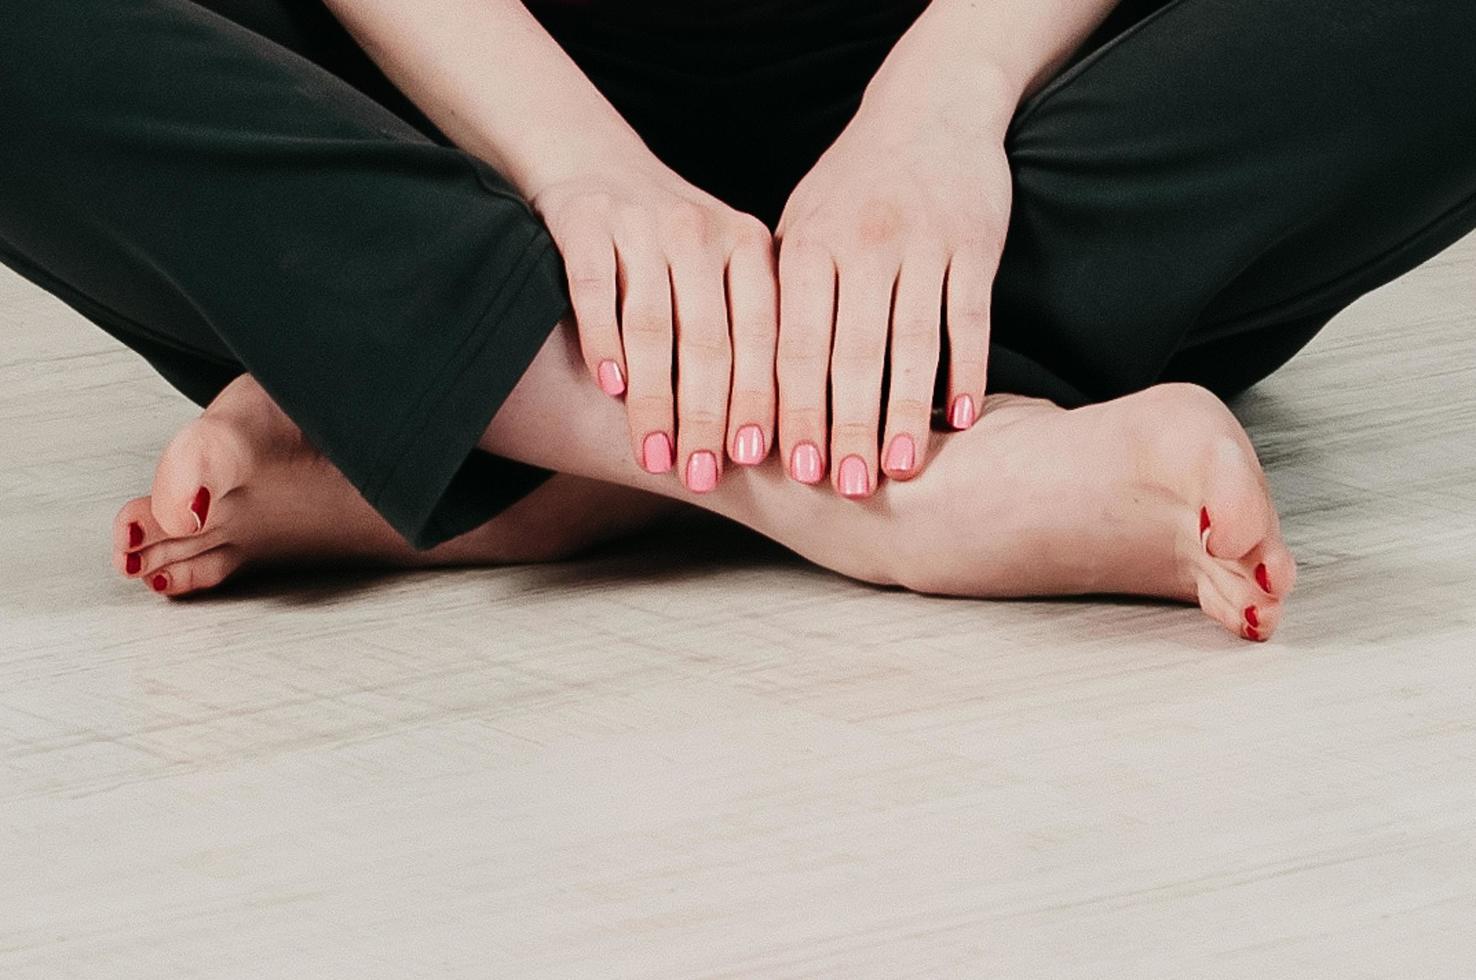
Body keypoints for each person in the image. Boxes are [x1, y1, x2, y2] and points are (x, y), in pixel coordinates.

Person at [3, 0, 1473, 642]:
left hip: (1011, 144)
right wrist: (578, 168)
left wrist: (945, 102)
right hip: (452, 136)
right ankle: (868, 474)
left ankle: (486, 417)